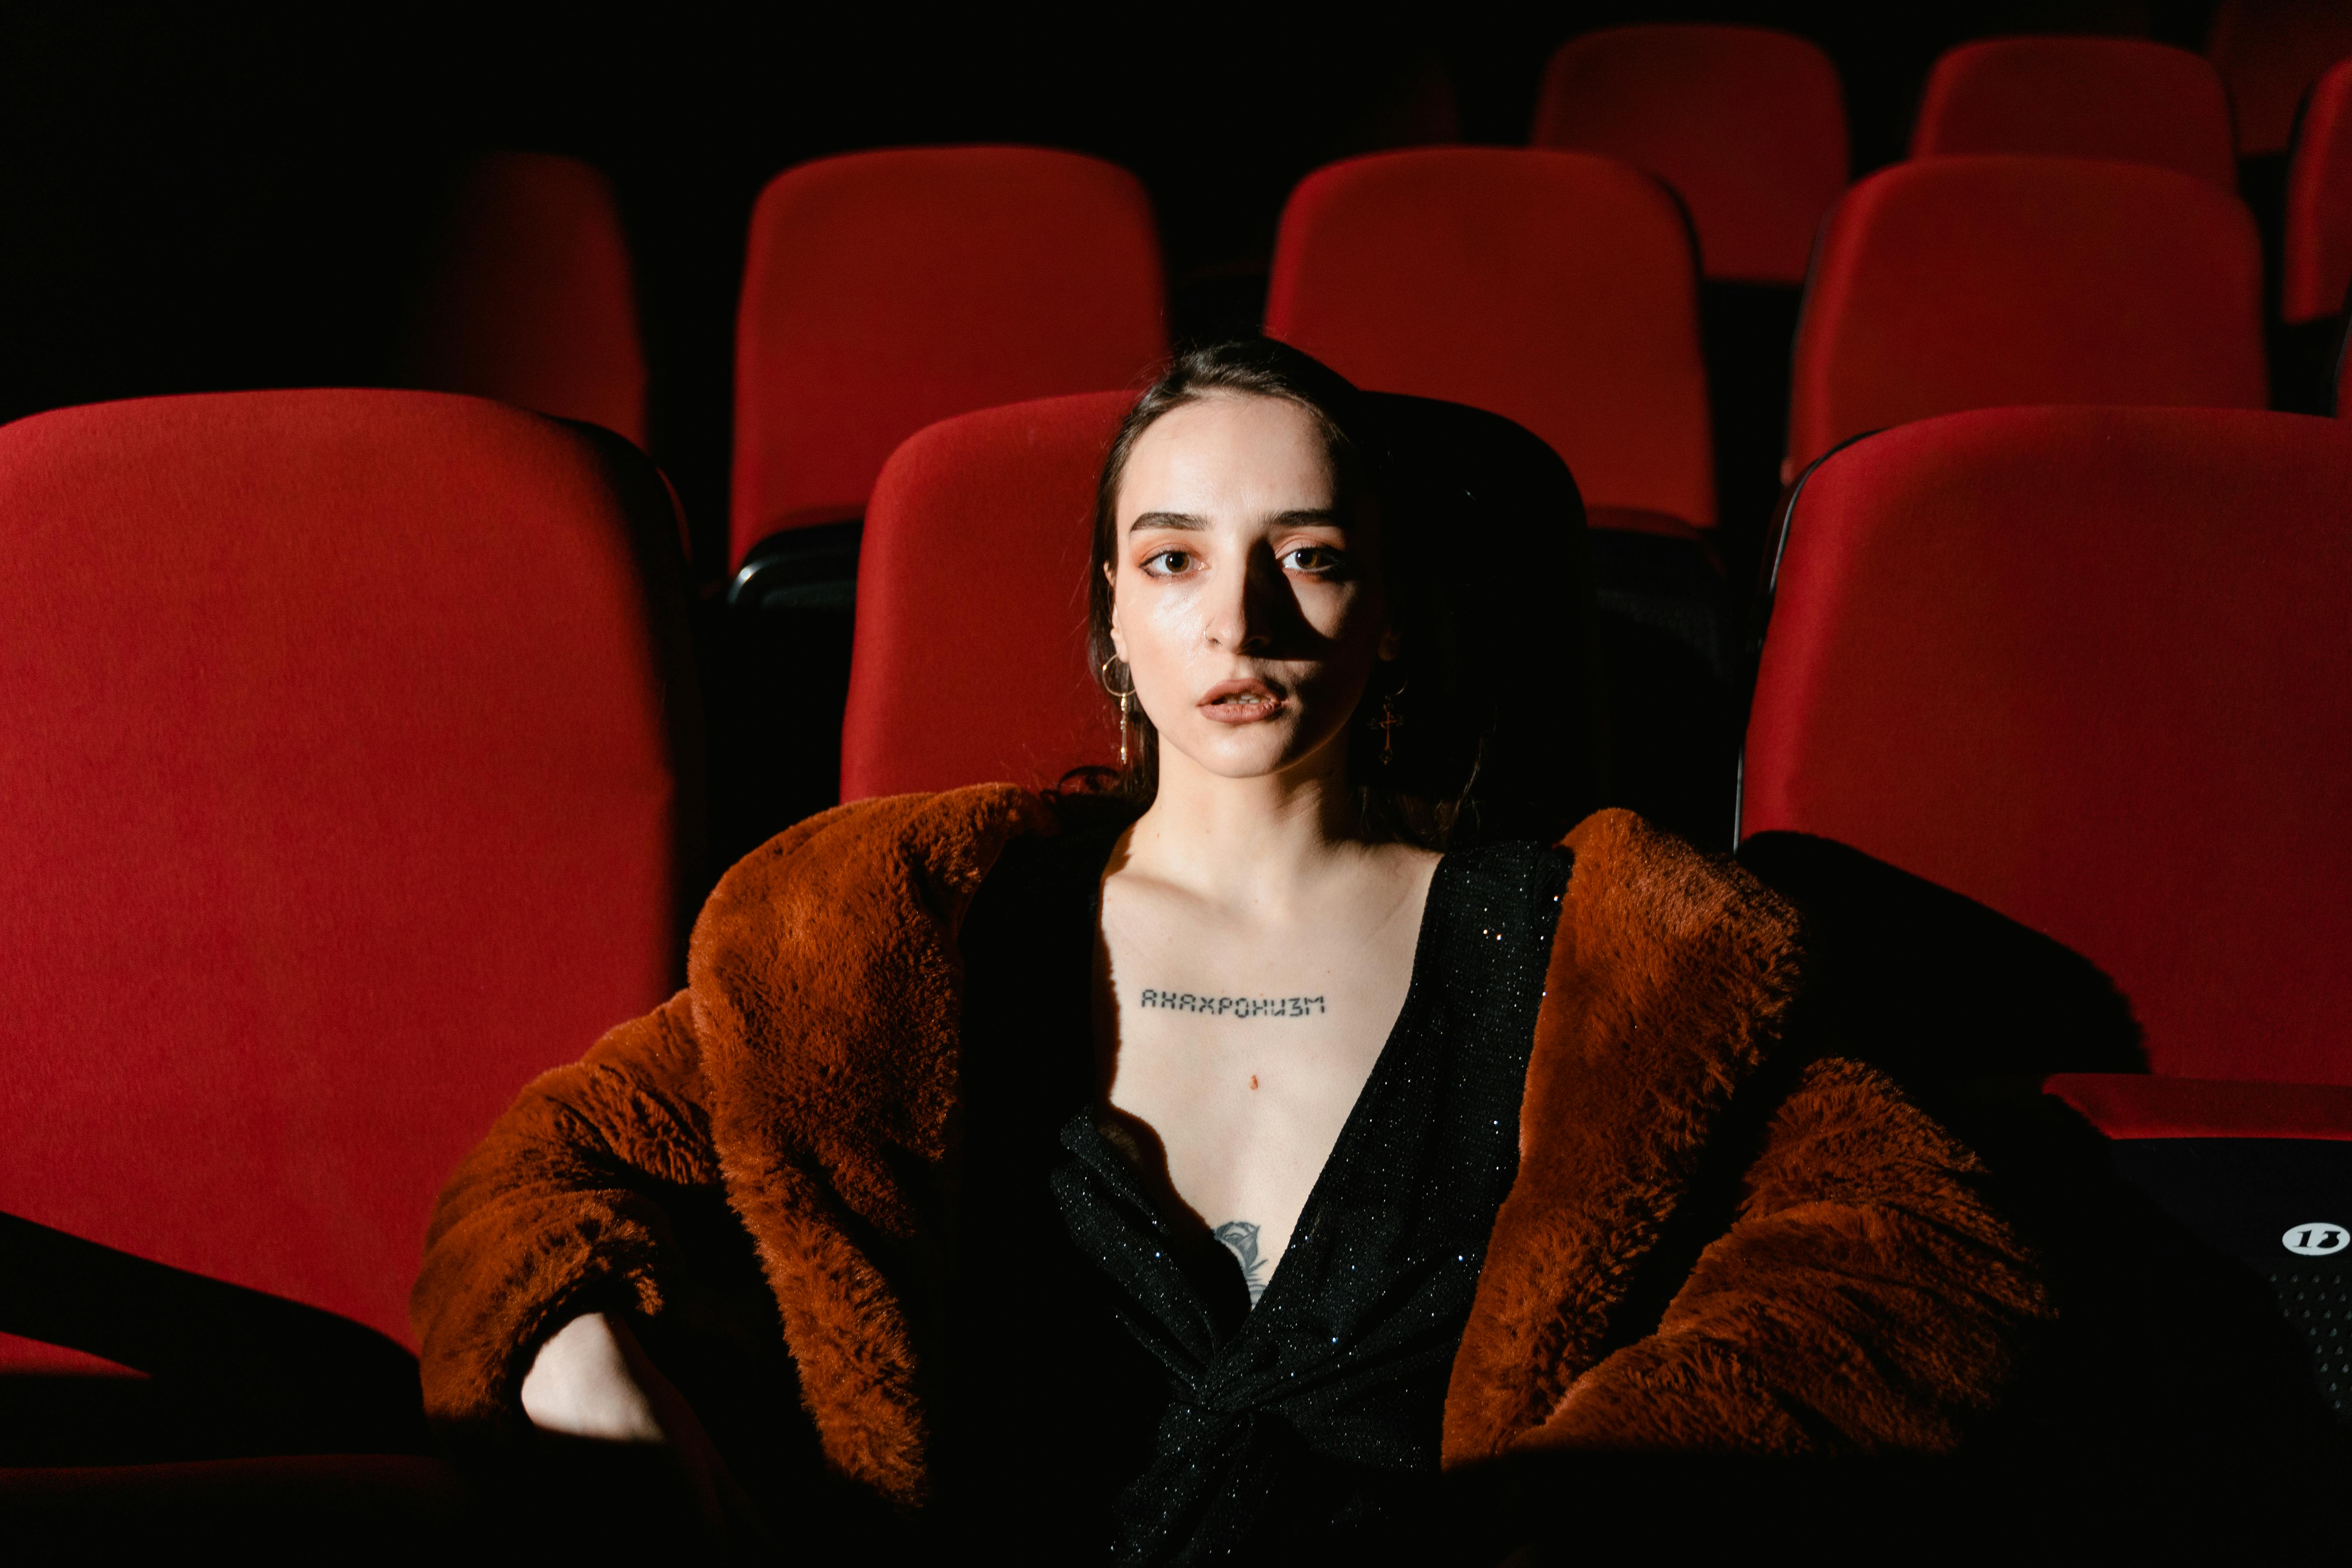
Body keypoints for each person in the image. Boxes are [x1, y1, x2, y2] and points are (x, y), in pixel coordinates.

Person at [411, 341, 2049, 1562]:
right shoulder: (914, 932)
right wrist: (581, 1359)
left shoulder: (1594, 948)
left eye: (1309, 556)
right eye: (1176, 558)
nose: (1242, 621)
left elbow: (1912, 1256)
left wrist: (1598, 1499)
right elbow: (538, 1185)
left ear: (1387, 613)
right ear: (1114, 619)